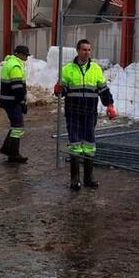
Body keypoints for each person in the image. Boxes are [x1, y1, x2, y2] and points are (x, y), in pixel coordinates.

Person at [54, 39, 117, 190]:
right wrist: (58, 90)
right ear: (77, 51)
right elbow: (61, 92)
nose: (87, 52)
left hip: (89, 112)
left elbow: (103, 89)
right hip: (73, 112)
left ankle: (89, 178)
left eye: (89, 50)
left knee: (89, 145)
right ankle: (75, 179)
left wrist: (109, 105)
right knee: (75, 145)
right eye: (84, 50)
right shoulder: (67, 69)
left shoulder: (96, 69)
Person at [0, 45, 30, 163]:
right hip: (13, 101)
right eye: (25, 55)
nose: (26, 57)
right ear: (19, 54)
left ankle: (7, 149)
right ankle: (13, 154)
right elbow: (17, 87)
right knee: (18, 126)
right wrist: (22, 102)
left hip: (8, 100)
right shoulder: (15, 66)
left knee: (15, 125)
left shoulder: (9, 63)